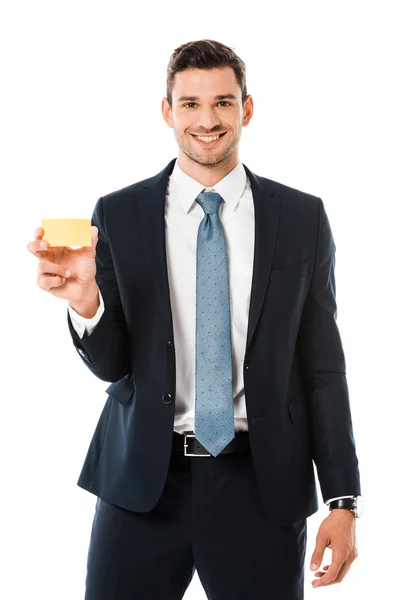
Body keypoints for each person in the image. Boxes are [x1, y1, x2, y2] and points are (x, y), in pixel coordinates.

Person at [27, 39, 362, 600]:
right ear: (167, 111)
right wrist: (87, 305)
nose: (207, 120)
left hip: (259, 485)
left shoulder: (302, 217)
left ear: (247, 109)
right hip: (143, 486)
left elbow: (323, 368)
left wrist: (344, 500)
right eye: (190, 104)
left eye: (224, 103)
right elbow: (114, 365)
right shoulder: (118, 212)